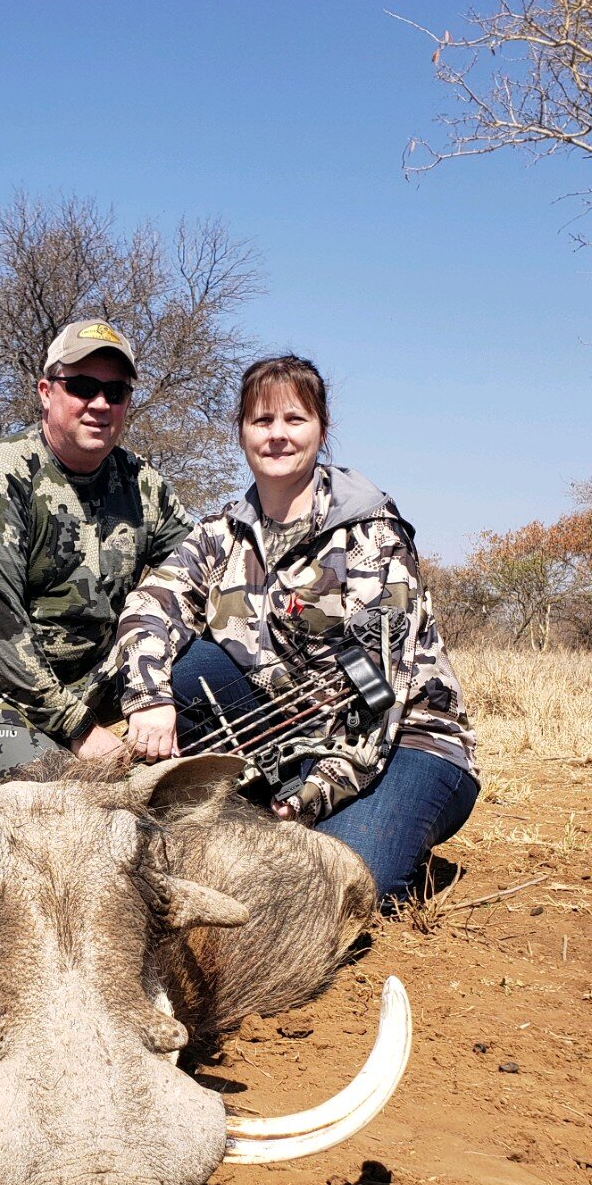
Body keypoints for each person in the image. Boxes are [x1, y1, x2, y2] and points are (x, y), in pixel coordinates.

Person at [116, 352, 478, 902]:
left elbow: (376, 697)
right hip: (291, 735)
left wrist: (307, 797)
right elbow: (150, 603)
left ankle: (386, 824)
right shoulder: (219, 533)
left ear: (321, 431)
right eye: (262, 421)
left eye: (294, 419)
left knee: (339, 882)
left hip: (402, 738)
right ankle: (273, 815)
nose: (278, 435)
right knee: (190, 672)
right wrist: (147, 696)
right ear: (241, 433)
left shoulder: (372, 535)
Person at [0, 318, 193, 782]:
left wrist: (151, 694)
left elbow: (201, 569)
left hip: (99, 684)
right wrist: (78, 729)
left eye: (116, 392)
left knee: (220, 676)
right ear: (46, 391)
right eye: (83, 387)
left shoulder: (143, 483)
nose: (100, 404)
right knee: (62, 804)